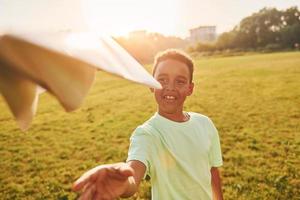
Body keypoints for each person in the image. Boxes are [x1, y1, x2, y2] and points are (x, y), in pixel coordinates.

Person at [72, 49, 223, 200]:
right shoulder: (147, 134)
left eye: (180, 81)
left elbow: (212, 171)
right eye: (162, 79)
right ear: (151, 84)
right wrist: (123, 183)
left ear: (190, 88)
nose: (170, 87)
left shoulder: (205, 123)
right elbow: (134, 174)